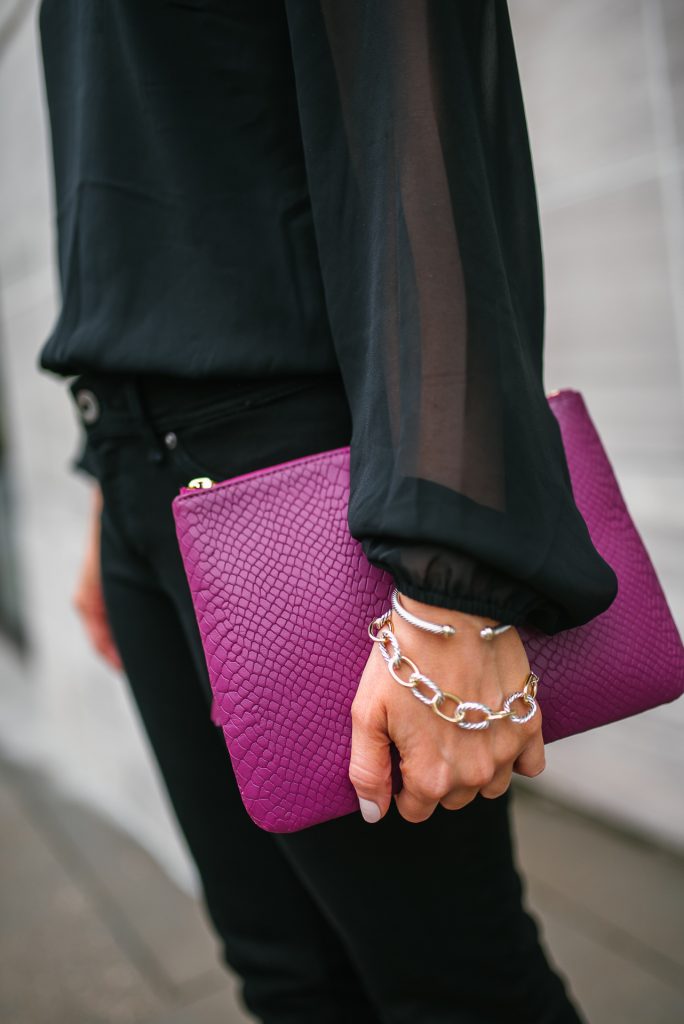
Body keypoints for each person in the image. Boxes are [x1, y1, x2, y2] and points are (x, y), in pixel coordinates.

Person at [37, 2, 618, 1022]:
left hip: (304, 488)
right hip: (141, 473)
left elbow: (423, 130)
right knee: (287, 977)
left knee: (458, 990)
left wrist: (452, 580)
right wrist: (110, 482)